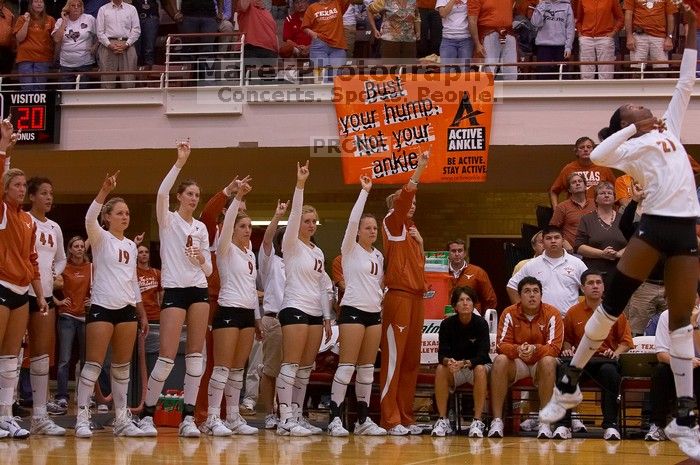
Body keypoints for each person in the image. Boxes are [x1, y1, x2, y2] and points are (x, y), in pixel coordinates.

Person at [540, 9, 700, 460]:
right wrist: (634, 127)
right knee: (612, 304)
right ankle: (569, 382)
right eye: (636, 109)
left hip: (686, 227)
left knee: (683, 319)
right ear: (625, 120)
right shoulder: (628, 146)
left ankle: (685, 416)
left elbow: (686, 81)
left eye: (646, 110)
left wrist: (690, 28)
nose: (647, 110)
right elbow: (603, 149)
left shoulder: (669, 125)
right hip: (652, 227)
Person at [138, 139, 212, 438]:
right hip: (175, 291)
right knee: (167, 357)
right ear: (179, 196)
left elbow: (208, 271)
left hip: (199, 289)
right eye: (189, 194)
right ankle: (146, 414)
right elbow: (160, 193)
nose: (194, 198)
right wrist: (180, 162)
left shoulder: (201, 228)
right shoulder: (168, 220)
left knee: (196, 358)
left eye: (197, 195)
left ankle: (189, 418)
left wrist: (200, 259)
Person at [74, 171, 149, 438]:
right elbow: (88, 218)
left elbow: (132, 281)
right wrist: (104, 190)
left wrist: (141, 313)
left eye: (127, 213)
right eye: (119, 213)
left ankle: (121, 419)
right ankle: (82, 417)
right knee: (93, 365)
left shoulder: (130, 245)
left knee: (121, 367)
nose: (125, 216)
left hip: (127, 310)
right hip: (102, 308)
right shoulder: (100, 237)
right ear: (107, 217)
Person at [275, 160, 333, 436]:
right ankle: (284, 417)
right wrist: (300, 184)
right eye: (306, 221)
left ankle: (297, 416)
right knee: (291, 363)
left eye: (313, 221)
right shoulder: (291, 244)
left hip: (313, 312)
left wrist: (326, 316)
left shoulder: (318, 252)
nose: (310, 224)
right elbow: (295, 211)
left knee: (306, 368)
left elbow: (323, 287)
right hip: (294, 307)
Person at [327, 175, 387, 437]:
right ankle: (335, 419)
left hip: (374, 314)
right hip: (352, 311)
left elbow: (378, 285)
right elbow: (352, 221)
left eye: (375, 228)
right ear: (358, 231)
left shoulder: (378, 255)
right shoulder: (349, 249)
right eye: (368, 228)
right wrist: (364, 193)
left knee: (366, 369)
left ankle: (362, 421)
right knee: (347, 365)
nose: (372, 232)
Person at [202, 177, 260, 436]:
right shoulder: (224, 248)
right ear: (231, 228)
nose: (248, 230)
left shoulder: (250, 254)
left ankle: (233, 416)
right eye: (243, 226)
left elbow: (250, 287)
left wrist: (257, 318)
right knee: (222, 367)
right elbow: (225, 226)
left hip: (248, 313)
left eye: (249, 226)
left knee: (238, 369)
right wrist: (236, 197)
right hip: (228, 309)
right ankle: (212, 417)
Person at [0, 120, 47, 439]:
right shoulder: (2, 211)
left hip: (22, 291)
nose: (21, 188)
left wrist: (40, 295)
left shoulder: (28, 222)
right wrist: (4, 149)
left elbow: (33, 261)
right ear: (6, 190)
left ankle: (5, 415)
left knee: (11, 357)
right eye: (16, 185)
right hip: (2, 285)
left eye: (23, 185)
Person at [380, 151, 430, 436]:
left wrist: (421, 244)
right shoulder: (392, 222)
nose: (412, 206)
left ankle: (406, 415)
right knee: (395, 359)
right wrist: (419, 170)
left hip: (416, 298)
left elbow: (418, 269)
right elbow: (403, 201)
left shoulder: (412, 232)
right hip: (398, 296)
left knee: (411, 360)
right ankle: (390, 418)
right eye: (407, 202)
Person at [560, 270, 633, 440]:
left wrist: (615, 352)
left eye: (598, 283)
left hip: (604, 361)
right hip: (580, 361)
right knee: (565, 370)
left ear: (603, 287)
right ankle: (563, 424)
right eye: (590, 283)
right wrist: (568, 348)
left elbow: (626, 342)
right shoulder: (573, 312)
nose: (595, 286)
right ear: (582, 288)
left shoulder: (615, 312)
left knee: (610, 372)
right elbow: (567, 340)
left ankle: (610, 426)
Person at [488, 276, 563, 439]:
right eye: (527, 291)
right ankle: (497, 421)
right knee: (499, 360)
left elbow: (555, 348)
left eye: (536, 291)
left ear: (541, 295)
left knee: (550, 361)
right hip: (518, 361)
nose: (532, 295)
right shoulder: (509, 312)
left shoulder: (552, 313)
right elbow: (501, 344)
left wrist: (535, 349)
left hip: (541, 361)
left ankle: (545, 422)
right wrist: (518, 350)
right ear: (520, 296)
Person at [24, 176, 67, 435]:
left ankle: (39, 416)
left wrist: (52, 272)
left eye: (51, 193)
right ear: (32, 196)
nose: (49, 197)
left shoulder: (54, 228)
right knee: (13, 354)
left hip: (47, 296)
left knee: (41, 356)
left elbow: (61, 259)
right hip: (21, 291)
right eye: (43, 193)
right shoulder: (24, 221)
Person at [431, 286, 491, 438]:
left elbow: (483, 355)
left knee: (480, 369)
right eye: (461, 300)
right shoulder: (446, 325)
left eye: (468, 300)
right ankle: (442, 419)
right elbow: (441, 355)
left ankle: (477, 420)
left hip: (474, 368)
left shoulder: (481, 324)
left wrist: (464, 363)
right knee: (440, 368)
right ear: (455, 306)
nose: (465, 303)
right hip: (455, 369)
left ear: (473, 304)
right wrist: (448, 362)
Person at [646, 305, 700, 441]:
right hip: (676, 366)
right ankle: (657, 426)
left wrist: (693, 324)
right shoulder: (666, 316)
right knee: (660, 371)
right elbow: (661, 355)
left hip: (698, 365)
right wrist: (684, 362)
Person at [507, 225, 588, 316]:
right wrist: (521, 311)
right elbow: (511, 286)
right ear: (543, 242)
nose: (553, 241)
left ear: (563, 241)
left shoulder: (577, 263)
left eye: (556, 237)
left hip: (569, 319)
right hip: (541, 319)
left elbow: (590, 287)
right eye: (548, 238)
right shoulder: (532, 265)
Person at [258, 202, 288, 430]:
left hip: (297, 321)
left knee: (291, 370)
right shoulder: (271, 261)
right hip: (274, 318)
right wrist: (277, 216)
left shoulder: (301, 261)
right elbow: (267, 240)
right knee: (271, 370)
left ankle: (289, 413)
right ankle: (269, 413)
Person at [54, 236, 91, 409]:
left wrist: (92, 300)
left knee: (86, 360)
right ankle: (62, 396)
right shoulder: (64, 267)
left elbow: (98, 285)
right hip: (67, 316)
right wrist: (58, 301)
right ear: (69, 249)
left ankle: (83, 396)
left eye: (81, 246)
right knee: (64, 359)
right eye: (75, 246)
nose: (79, 249)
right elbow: (48, 281)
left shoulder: (90, 267)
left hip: (84, 317)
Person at [574, 182, 627, 279]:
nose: (606, 195)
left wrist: (618, 254)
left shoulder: (624, 219)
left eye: (610, 193)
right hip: (594, 274)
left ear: (615, 198)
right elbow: (578, 246)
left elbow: (633, 244)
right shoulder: (586, 219)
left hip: (621, 274)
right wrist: (602, 254)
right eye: (602, 193)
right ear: (595, 199)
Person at [549, 136, 616, 207]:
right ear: (576, 152)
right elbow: (553, 191)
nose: (585, 149)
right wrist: (556, 210)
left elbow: (617, 190)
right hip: (575, 212)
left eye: (589, 147)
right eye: (582, 147)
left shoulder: (603, 168)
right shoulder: (568, 169)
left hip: (599, 212)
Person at [95, 0, 140, 88]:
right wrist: (109, 45)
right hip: (107, 44)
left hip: (128, 44)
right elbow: (99, 32)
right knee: (107, 81)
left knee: (129, 80)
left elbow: (136, 30)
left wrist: (127, 44)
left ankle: (129, 100)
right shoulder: (103, 9)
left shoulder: (131, 9)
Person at [467, 0, 517, 80]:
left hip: (508, 34)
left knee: (511, 73)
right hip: (488, 35)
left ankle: (510, 91)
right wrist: (477, 44)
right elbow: (472, 20)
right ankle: (486, 91)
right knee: (489, 72)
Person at [52, 0, 96, 88]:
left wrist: (95, 46)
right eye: (73, 5)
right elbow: (56, 39)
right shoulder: (60, 21)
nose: (76, 7)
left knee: (83, 94)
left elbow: (99, 34)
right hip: (66, 64)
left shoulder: (89, 19)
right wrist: (64, 21)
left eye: (79, 5)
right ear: (68, 8)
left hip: (85, 63)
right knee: (66, 94)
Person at [624, 0, 676, 73]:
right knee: (636, 69)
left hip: (659, 37)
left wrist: (669, 37)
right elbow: (628, 14)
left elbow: (670, 17)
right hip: (639, 36)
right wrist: (629, 36)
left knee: (661, 70)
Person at [14, 0, 56, 91]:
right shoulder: (22, 18)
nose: (39, 4)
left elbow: (56, 39)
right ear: (31, 4)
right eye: (36, 1)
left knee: (39, 90)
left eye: (41, 2)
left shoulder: (50, 20)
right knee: (27, 88)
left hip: (43, 59)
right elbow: (20, 38)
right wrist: (26, 22)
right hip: (25, 58)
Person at [576, 0, 623, 80]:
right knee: (586, 74)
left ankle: (606, 92)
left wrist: (613, 32)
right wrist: (580, 33)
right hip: (586, 38)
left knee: (606, 74)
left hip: (605, 38)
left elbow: (620, 18)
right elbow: (578, 19)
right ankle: (586, 92)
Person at [447, 239, 497, 313]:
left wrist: (481, 318)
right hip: (445, 317)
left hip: (471, 318)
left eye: (460, 251)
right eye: (453, 251)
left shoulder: (478, 272)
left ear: (465, 253)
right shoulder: (441, 273)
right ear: (448, 253)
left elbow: (490, 299)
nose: (457, 254)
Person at [303, 0, 350, 76]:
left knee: (336, 77)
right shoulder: (312, 8)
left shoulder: (338, 3)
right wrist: (313, 34)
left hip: (337, 46)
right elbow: (305, 27)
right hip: (318, 46)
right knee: (320, 78)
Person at [530, 0, 574, 78]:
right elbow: (535, 23)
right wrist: (541, 6)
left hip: (561, 47)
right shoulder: (542, 4)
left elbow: (570, 28)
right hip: (543, 46)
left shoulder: (567, 6)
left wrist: (568, 47)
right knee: (543, 77)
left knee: (563, 77)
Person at [436, 0, 472, 65]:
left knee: (465, 71)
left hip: (466, 39)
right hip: (448, 39)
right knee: (446, 71)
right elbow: (443, 14)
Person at [0, 0, 15, 75]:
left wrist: (13, 49)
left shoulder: (9, 13)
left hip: (6, 50)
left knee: (5, 77)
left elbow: (13, 31)